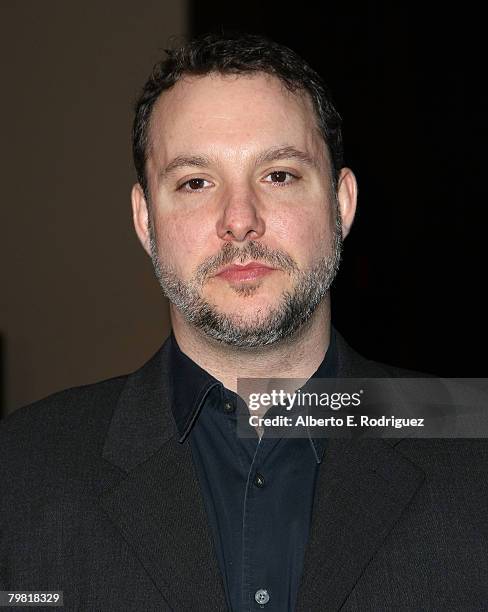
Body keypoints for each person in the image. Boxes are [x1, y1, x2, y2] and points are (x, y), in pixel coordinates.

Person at [1, 32, 487, 612]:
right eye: (195, 182)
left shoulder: (475, 446)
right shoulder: (20, 473)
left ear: (342, 205)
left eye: (278, 175)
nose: (239, 220)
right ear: (144, 219)